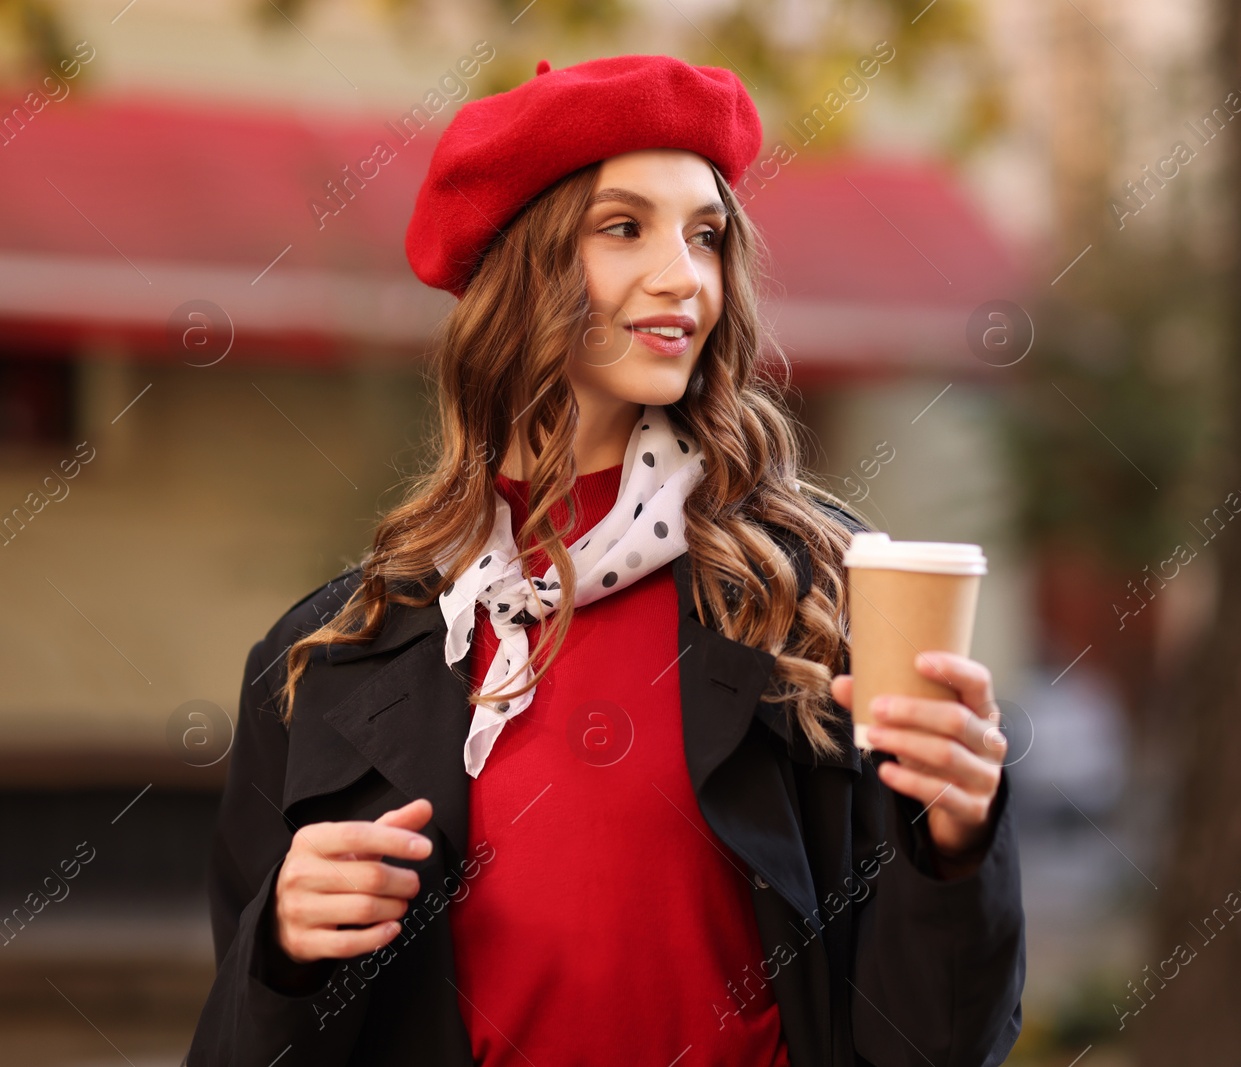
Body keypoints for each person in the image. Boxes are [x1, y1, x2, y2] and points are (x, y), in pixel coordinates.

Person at [186, 53, 1024, 1067]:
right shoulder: (329, 655)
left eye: (705, 235)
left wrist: (954, 845)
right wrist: (283, 950)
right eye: (623, 227)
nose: (685, 276)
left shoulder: (814, 597)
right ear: (517, 270)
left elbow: (933, 1047)